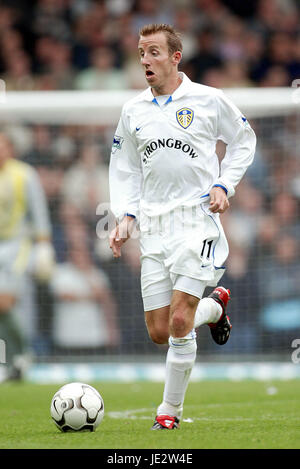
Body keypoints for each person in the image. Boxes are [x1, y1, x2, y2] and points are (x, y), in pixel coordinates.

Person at [109, 24, 256, 430]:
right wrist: (125, 216)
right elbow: (125, 169)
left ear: (176, 57)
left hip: (197, 221)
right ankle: (215, 307)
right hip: (155, 228)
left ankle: (168, 412)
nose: (144, 60)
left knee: (177, 321)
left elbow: (244, 140)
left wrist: (225, 183)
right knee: (159, 331)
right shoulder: (133, 111)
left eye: (153, 52)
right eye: (141, 52)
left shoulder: (209, 100)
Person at [0, 132, 55, 379]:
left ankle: (22, 353)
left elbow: (39, 212)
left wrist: (44, 246)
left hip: (17, 247)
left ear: (11, 148)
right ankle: (14, 359)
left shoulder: (24, 175)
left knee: (5, 301)